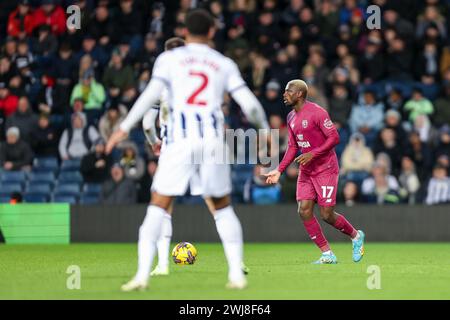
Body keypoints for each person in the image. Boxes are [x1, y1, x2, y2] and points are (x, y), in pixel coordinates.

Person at [106, 9, 269, 291]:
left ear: (184, 32)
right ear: (211, 32)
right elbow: (250, 104)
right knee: (222, 208)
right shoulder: (223, 63)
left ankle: (142, 276)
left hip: (179, 140)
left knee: (157, 206)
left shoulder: (168, 60)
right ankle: (236, 275)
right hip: (212, 141)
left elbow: (147, 98)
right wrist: (264, 130)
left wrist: (123, 127)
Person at [264, 79, 365, 264]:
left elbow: (334, 137)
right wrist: (279, 170)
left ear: (299, 94)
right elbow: (293, 146)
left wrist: (313, 154)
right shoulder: (290, 117)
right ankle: (327, 253)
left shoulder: (317, 112)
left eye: (288, 91)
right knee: (304, 210)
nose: (284, 94)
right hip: (307, 171)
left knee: (326, 214)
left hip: (325, 168)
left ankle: (356, 236)